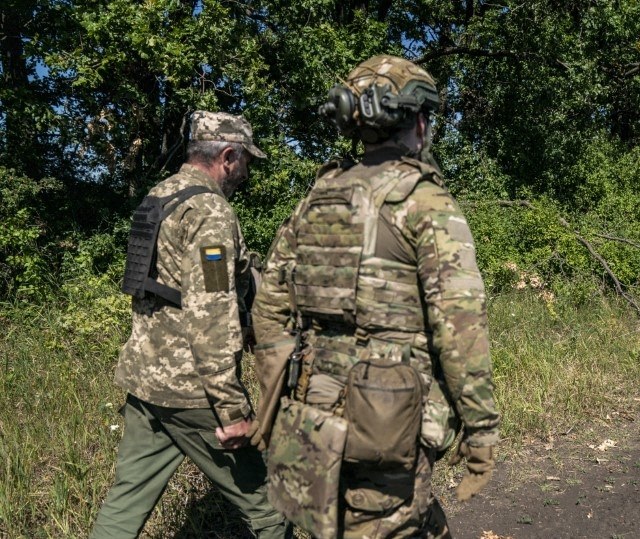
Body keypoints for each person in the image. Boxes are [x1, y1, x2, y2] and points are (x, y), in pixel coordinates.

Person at [249, 55, 501, 538]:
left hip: (312, 411)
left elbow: (270, 309)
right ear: (419, 123)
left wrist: (282, 395)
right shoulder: (424, 202)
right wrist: (481, 428)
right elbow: (461, 328)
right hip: (389, 416)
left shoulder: (318, 197)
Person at [91, 111, 289, 538]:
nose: (246, 172)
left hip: (146, 382)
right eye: (246, 161)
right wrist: (232, 409)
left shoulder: (159, 197)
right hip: (193, 393)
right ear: (228, 156)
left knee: (124, 505)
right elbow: (211, 314)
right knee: (271, 508)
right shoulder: (210, 212)